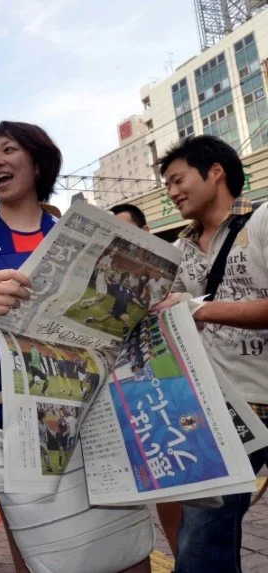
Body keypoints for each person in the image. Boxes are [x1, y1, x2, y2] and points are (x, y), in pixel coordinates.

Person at [0, 120, 153, 573]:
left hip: (97, 415)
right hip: (11, 421)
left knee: (127, 546)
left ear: (38, 163)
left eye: (8, 150)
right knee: (42, 556)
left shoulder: (88, 234)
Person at [155, 135, 268, 573]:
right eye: (167, 185)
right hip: (219, 410)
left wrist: (196, 307)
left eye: (178, 179)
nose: (173, 191)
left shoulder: (261, 221)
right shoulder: (179, 249)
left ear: (216, 171)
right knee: (202, 543)